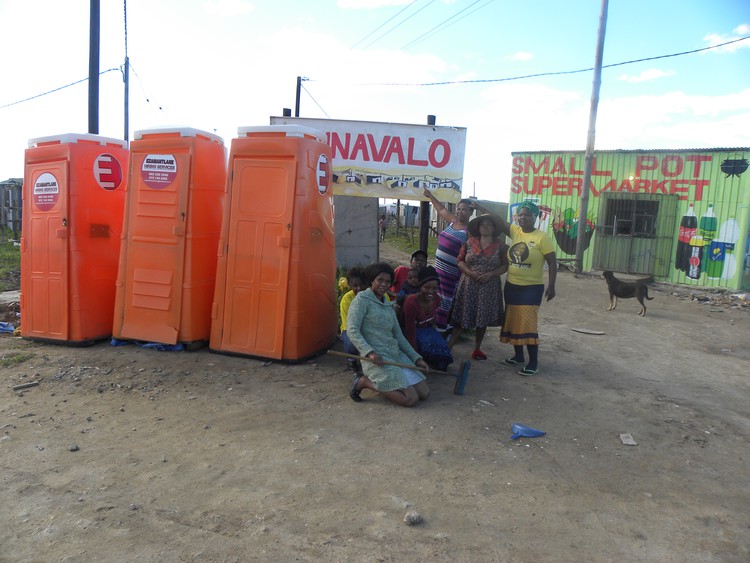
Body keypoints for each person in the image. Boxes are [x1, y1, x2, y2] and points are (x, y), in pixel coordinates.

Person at [346, 263, 430, 407]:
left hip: (395, 356)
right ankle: (364, 381)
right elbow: (352, 330)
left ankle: (390, 383)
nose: (384, 284)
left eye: (388, 281)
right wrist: (370, 353)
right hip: (377, 358)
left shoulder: (387, 304)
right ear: (372, 280)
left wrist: (416, 359)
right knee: (411, 399)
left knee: (424, 393)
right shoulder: (361, 300)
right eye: (380, 280)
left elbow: (398, 336)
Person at [497, 201, 557, 376]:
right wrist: (478, 208)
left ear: (535, 217)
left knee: (528, 324)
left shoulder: (542, 237)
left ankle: (533, 362)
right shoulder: (515, 231)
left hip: (531, 289)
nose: (523, 218)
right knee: (514, 320)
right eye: (520, 215)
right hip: (511, 286)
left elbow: (552, 262)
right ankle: (518, 357)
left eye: (527, 215)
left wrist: (552, 285)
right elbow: (498, 221)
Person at [447, 213, 509, 360]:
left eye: (489, 224)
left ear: (494, 228)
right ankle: (448, 348)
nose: (485, 226)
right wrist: (470, 273)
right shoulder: (468, 243)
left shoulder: (501, 246)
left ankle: (476, 349)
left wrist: (491, 274)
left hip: (489, 286)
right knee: (461, 317)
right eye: (482, 224)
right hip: (468, 285)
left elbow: (505, 266)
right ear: (478, 227)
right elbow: (460, 261)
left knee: (483, 318)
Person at [422, 188, 475, 329]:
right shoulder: (452, 221)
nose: (460, 212)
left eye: (464, 210)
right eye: (458, 209)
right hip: (439, 270)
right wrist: (430, 196)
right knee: (434, 295)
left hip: (452, 273)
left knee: (446, 300)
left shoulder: (470, 231)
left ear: (471, 213)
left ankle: (442, 329)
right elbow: (441, 209)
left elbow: (471, 253)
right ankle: (431, 325)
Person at [401, 266, 454, 371]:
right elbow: (409, 330)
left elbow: (432, 320)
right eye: (427, 287)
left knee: (443, 352)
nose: (431, 291)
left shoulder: (437, 299)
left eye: (434, 288)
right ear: (420, 287)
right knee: (425, 346)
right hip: (409, 330)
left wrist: (436, 333)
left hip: (425, 329)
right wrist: (414, 355)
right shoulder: (411, 302)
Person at [339, 266, 366, 374]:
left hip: (369, 329)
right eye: (355, 286)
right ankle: (352, 360)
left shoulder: (373, 296)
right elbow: (350, 326)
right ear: (350, 285)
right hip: (351, 329)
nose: (359, 288)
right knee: (352, 343)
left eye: (362, 285)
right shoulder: (347, 299)